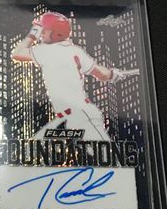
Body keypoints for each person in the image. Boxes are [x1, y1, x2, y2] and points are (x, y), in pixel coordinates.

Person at [11, 11, 136, 140]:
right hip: (68, 116)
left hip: (81, 114)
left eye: (45, 29)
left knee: (103, 150)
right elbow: (102, 74)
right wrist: (112, 74)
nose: (41, 32)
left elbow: (17, 53)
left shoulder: (46, 51)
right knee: (36, 145)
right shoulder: (75, 51)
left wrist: (33, 34)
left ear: (57, 34)